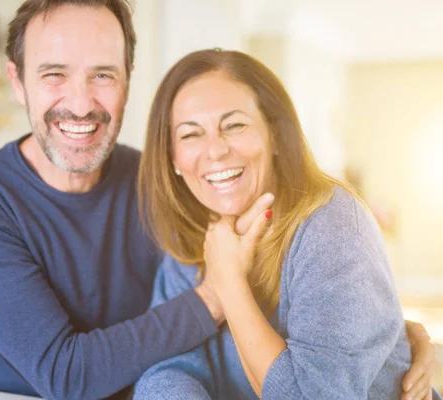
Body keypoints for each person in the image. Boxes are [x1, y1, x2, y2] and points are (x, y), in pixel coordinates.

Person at [0, 1, 436, 399]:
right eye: (53, 74)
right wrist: (220, 289)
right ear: (17, 82)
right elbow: (71, 374)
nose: (81, 102)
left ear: (128, 79)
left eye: (102, 74)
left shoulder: (164, 188)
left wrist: (388, 334)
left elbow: (183, 352)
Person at [134, 49, 441, 400]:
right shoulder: (188, 240)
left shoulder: (333, 227)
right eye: (190, 134)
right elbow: (167, 368)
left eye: (234, 125)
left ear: (275, 134)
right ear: (173, 157)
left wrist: (229, 280)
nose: (215, 150)